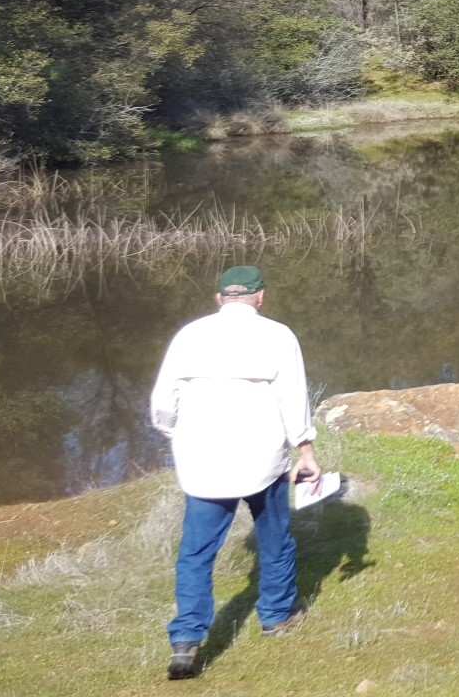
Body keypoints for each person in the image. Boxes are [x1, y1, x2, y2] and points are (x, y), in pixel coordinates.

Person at [149, 265, 320, 681]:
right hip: (262, 460)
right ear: (260, 297)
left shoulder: (189, 336)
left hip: (202, 464)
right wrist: (306, 452)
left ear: (219, 297)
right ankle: (276, 617)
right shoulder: (277, 335)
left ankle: (187, 641)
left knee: (195, 554)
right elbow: (293, 398)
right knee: (275, 540)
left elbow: (162, 404)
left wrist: (179, 435)